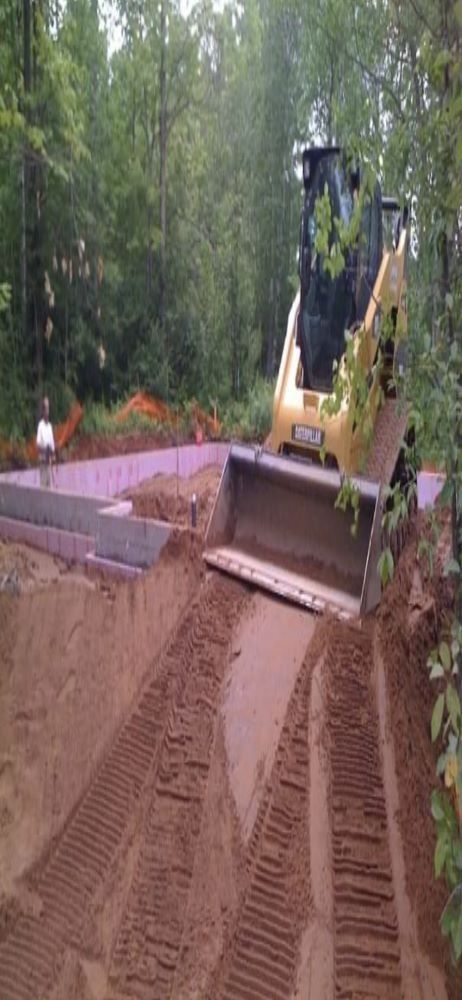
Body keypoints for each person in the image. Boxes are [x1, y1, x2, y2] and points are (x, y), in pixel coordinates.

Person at [36, 396, 55, 488]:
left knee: (49, 484)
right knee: (43, 485)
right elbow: (38, 443)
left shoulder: (50, 426)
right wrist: (45, 449)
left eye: (48, 408)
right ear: (43, 411)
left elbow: (52, 444)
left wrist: (52, 452)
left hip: (49, 461)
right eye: (46, 408)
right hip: (43, 459)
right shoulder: (41, 425)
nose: (47, 411)